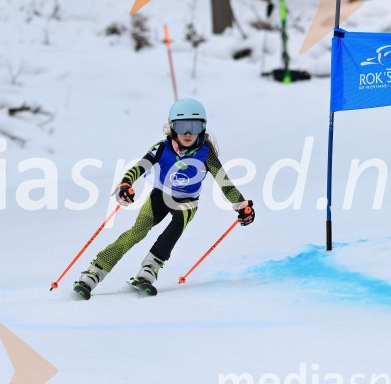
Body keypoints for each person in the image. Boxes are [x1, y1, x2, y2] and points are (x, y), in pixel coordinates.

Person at [73, 98, 255, 299]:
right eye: (181, 126)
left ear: (202, 128)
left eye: (194, 127)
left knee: (178, 222)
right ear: (172, 128)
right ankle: (95, 271)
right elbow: (140, 167)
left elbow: (224, 183)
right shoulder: (162, 147)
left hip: (188, 201)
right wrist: (126, 183)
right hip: (160, 196)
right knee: (138, 230)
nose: (187, 133)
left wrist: (242, 205)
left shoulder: (206, 154)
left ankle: (150, 268)